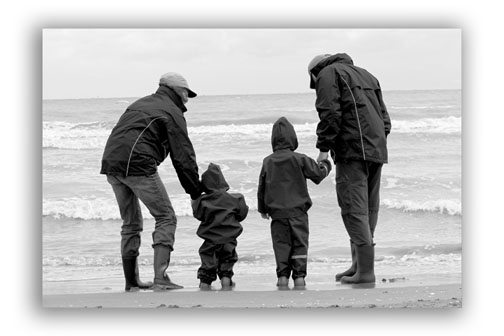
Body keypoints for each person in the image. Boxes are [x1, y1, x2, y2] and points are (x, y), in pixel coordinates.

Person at [100, 72, 203, 291]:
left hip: (112, 163)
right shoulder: (172, 111)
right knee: (166, 217)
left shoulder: (140, 104)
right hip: (137, 164)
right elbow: (183, 156)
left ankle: (131, 281)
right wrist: (195, 192)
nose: (187, 98)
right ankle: (161, 278)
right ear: (176, 90)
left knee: (131, 223)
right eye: (186, 93)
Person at [307, 53, 391, 284]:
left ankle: (365, 272)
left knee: (353, 209)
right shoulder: (368, 75)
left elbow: (330, 112)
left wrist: (324, 148)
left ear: (314, 73)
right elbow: (385, 120)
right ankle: (359, 266)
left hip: (353, 150)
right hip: (376, 149)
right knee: (368, 209)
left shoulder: (327, 73)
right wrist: (376, 142)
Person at [257, 117, 331, 289]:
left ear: (273, 140)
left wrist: (262, 209)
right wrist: (326, 163)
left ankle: (282, 278)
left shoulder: (268, 161)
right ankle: (299, 278)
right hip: (298, 212)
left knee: (281, 245)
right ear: (293, 138)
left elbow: (261, 188)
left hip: (277, 214)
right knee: (299, 244)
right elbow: (318, 175)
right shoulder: (300, 159)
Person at [192, 163, 249, 290]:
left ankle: (205, 285)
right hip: (229, 238)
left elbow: (198, 215)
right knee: (227, 261)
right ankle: (226, 281)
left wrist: (195, 201)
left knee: (208, 264)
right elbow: (242, 214)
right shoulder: (236, 198)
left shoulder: (203, 201)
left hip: (211, 239)